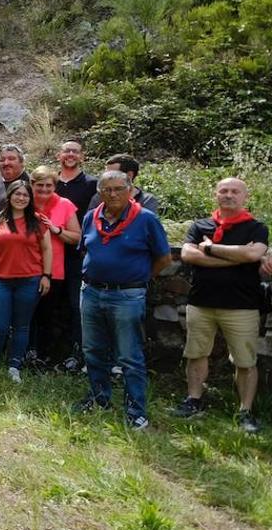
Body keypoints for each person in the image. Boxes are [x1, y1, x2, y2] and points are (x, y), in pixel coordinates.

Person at [73, 170, 171, 430]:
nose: (113, 194)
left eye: (118, 188)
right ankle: (99, 398)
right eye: (107, 189)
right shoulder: (90, 218)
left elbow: (163, 258)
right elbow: (85, 250)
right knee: (92, 351)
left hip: (127, 295)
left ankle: (136, 410)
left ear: (130, 190)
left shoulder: (146, 219)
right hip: (91, 292)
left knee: (129, 356)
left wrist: (138, 280)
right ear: (99, 193)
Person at [175, 178, 268, 433]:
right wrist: (234, 258)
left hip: (242, 305)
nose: (228, 195)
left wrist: (211, 248)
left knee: (245, 361)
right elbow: (188, 255)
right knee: (195, 354)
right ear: (216, 195)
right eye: (223, 191)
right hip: (201, 302)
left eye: (234, 191)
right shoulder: (200, 225)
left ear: (244, 197)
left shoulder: (256, 228)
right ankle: (194, 400)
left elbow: (253, 254)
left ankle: (245, 411)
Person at [0, 179, 52, 382]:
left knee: (21, 326)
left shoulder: (37, 220)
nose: (21, 198)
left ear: (30, 198)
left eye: (25, 195)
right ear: (9, 196)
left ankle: (14, 365)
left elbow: (47, 249)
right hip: (0, 279)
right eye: (17, 194)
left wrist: (46, 275)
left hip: (30, 280)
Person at [29, 166, 81, 367]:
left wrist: (56, 229)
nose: (43, 190)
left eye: (48, 186)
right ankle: (25, 352)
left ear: (55, 186)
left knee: (46, 315)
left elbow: (77, 237)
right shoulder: (23, 201)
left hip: (53, 270)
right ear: (32, 185)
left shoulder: (65, 204)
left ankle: (42, 356)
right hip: (24, 268)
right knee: (26, 315)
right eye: (39, 185)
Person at [54, 142, 97, 372]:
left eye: (75, 151)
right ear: (58, 155)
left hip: (76, 254)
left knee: (76, 305)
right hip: (49, 253)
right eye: (66, 151)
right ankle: (50, 352)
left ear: (82, 156)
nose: (70, 155)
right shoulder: (50, 183)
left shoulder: (92, 184)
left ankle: (78, 354)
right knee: (50, 304)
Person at [85, 154, 160, 216]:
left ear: (129, 175)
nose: (107, 178)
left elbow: (146, 227)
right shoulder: (99, 197)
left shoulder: (146, 200)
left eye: (113, 174)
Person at [0, 144, 29, 211]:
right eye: (2, 160)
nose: (6, 163)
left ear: (21, 162)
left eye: (11, 159)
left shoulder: (30, 183)